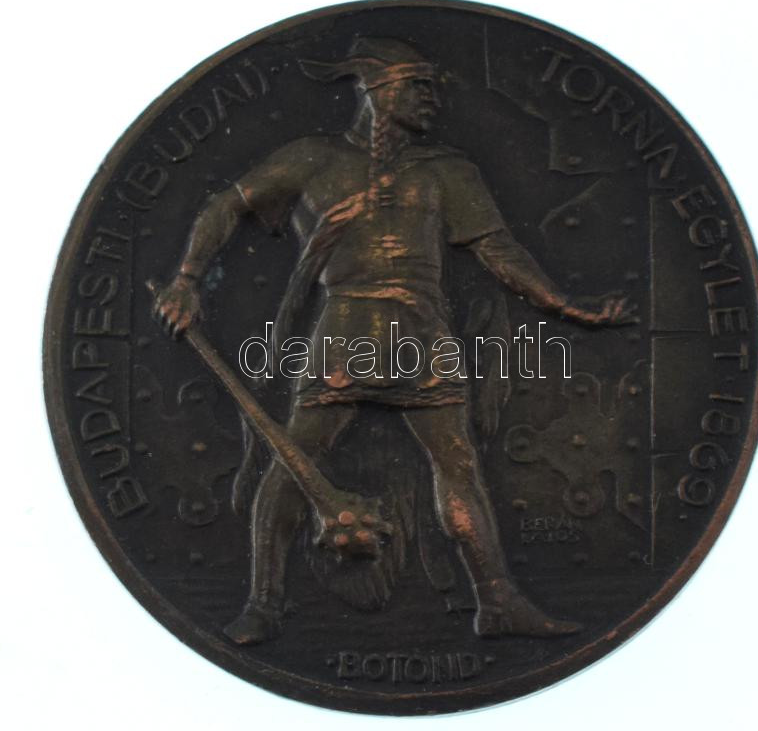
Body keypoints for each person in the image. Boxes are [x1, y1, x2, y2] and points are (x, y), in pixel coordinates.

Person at [154, 37, 635, 645]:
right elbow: (225, 206)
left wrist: (563, 305)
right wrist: (187, 279)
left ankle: (498, 603)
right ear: (379, 89)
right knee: (295, 461)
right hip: (347, 329)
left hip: (422, 332)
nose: (433, 98)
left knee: (458, 468)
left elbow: (498, 250)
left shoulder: (447, 170)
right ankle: (264, 605)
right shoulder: (313, 158)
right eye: (419, 86)